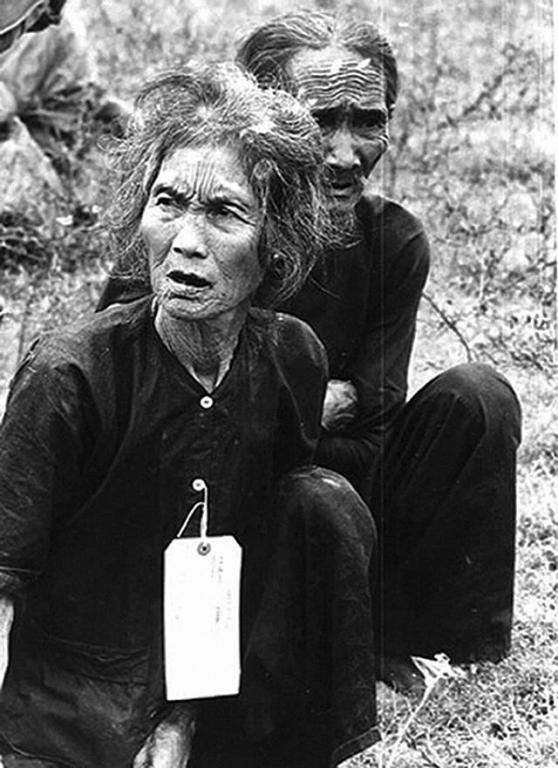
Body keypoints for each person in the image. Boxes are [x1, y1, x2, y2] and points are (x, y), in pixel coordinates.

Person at [97, 9, 522, 694]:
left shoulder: (393, 241)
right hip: (198, 501)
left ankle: (404, 633)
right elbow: (135, 399)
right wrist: (317, 402)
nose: (347, 152)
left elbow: (378, 410)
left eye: (369, 121)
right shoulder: (192, 224)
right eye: (320, 121)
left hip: (328, 482)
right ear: (258, 122)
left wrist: (253, 399)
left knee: (479, 396)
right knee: (306, 492)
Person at [0, 64, 377, 768]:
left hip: (205, 684)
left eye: (225, 213)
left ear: (277, 241)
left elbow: (238, 556)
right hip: (71, 702)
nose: (186, 240)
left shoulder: (292, 358)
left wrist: (184, 718)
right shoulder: (73, 373)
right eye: (168, 202)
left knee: (324, 504)